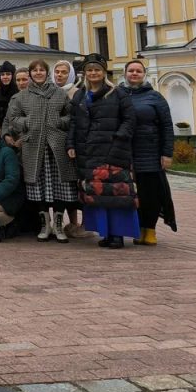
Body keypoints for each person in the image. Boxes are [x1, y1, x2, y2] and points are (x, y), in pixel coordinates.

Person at [69, 54, 138, 249]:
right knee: (97, 194)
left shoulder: (117, 93)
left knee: (116, 194)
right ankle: (105, 232)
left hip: (112, 151)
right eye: (90, 70)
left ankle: (117, 234)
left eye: (97, 69)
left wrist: (119, 138)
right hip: (88, 151)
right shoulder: (80, 95)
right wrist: (70, 145)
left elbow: (129, 119)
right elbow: (74, 122)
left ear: (104, 72)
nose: (93, 73)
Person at [5, 59, 75, 243]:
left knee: (61, 186)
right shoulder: (22, 96)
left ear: (46, 72)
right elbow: (12, 118)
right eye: (34, 70)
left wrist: (60, 123)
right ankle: (46, 224)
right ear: (30, 74)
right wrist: (27, 123)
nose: (38, 73)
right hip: (34, 146)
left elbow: (70, 115)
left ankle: (59, 225)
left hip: (56, 146)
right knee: (38, 187)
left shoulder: (59, 93)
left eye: (41, 70)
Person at [120, 59, 176, 246]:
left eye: (138, 71)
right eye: (131, 71)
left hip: (150, 152)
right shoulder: (118, 95)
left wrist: (167, 153)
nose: (134, 74)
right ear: (125, 73)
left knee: (150, 194)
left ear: (144, 74)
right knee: (131, 194)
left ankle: (150, 230)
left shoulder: (155, 97)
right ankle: (137, 228)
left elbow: (167, 126)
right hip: (126, 152)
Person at [52, 59, 90, 239]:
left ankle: (85, 224)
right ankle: (72, 222)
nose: (59, 75)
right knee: (65, 186)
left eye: (63, 72)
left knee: (79, 185)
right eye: (57, 72)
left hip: (75, 145)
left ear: (71, 74)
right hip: (57, 146)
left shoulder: (77, 93)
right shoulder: (51, 92)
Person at [0, 61, 17, 127]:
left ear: (13, 76)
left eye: (8, 74)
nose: (5, 77)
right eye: (2, 74)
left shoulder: (18, 93)